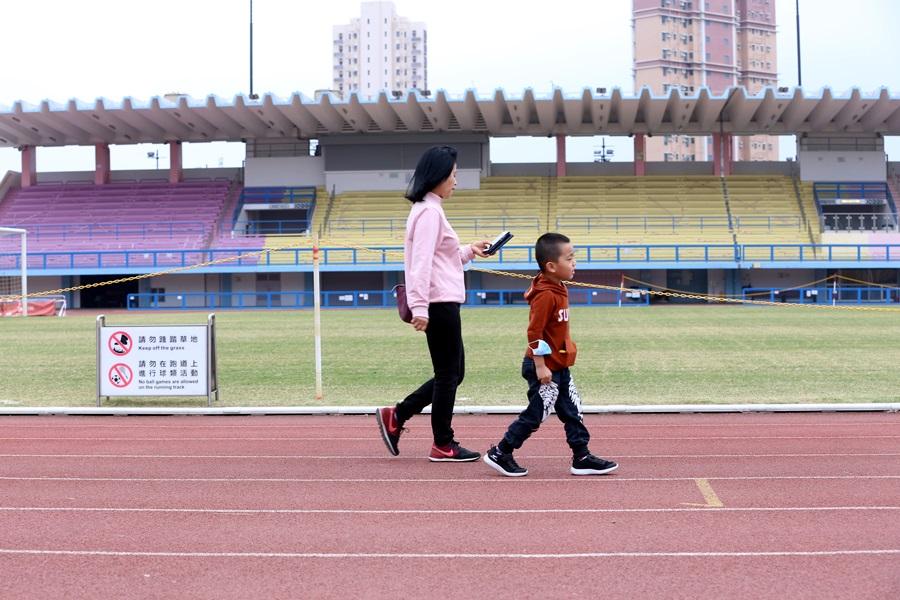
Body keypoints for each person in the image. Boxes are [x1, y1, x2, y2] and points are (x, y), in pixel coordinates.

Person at [376, 145, 490, 462]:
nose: (456, 181)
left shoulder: (432, 209)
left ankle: (398, 415)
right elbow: (420, 264)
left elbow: (443, 258)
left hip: (442, 301)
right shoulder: (428, 212)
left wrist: (470, 250)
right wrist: (421, 307)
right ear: (438, 176)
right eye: (453, 175)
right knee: (448, 374)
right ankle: (442, 442)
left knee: (453, 372)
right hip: (438, 303)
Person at [483, 232, 619, 477]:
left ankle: (582, 456)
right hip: (544, 367)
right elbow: (534, 332)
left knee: (572, 411)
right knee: (537, 413)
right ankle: (501, 451)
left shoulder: (558, 285)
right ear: (551, 266)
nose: (575, 262)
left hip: (560, 364)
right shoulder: (545, 295)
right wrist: (540, 365)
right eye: (570, 258)